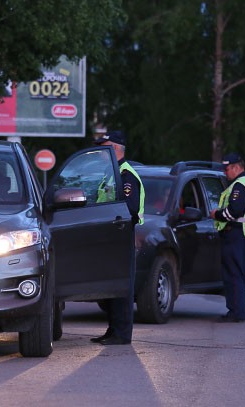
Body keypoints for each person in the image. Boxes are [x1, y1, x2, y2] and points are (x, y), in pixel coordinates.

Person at [90, 130, 145, 345]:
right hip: (110, 237)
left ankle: (122, 333)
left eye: (105, 147)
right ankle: (113, 330)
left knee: (122, 287)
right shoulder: (112, 173)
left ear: (114, 148)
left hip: (122, 236)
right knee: (112, 286)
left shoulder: (127, 175)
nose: (101, 151)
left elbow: (129, 209)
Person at [210, 153, 245, 323]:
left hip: (236, 233)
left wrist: (217, 214)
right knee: (238, 272)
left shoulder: (240, 185)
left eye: (227, 168)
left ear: (237, 167)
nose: (225, 172)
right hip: (242, 233)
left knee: (233, 274)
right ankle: (240, 311)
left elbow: (234, 211)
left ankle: (236, 312)